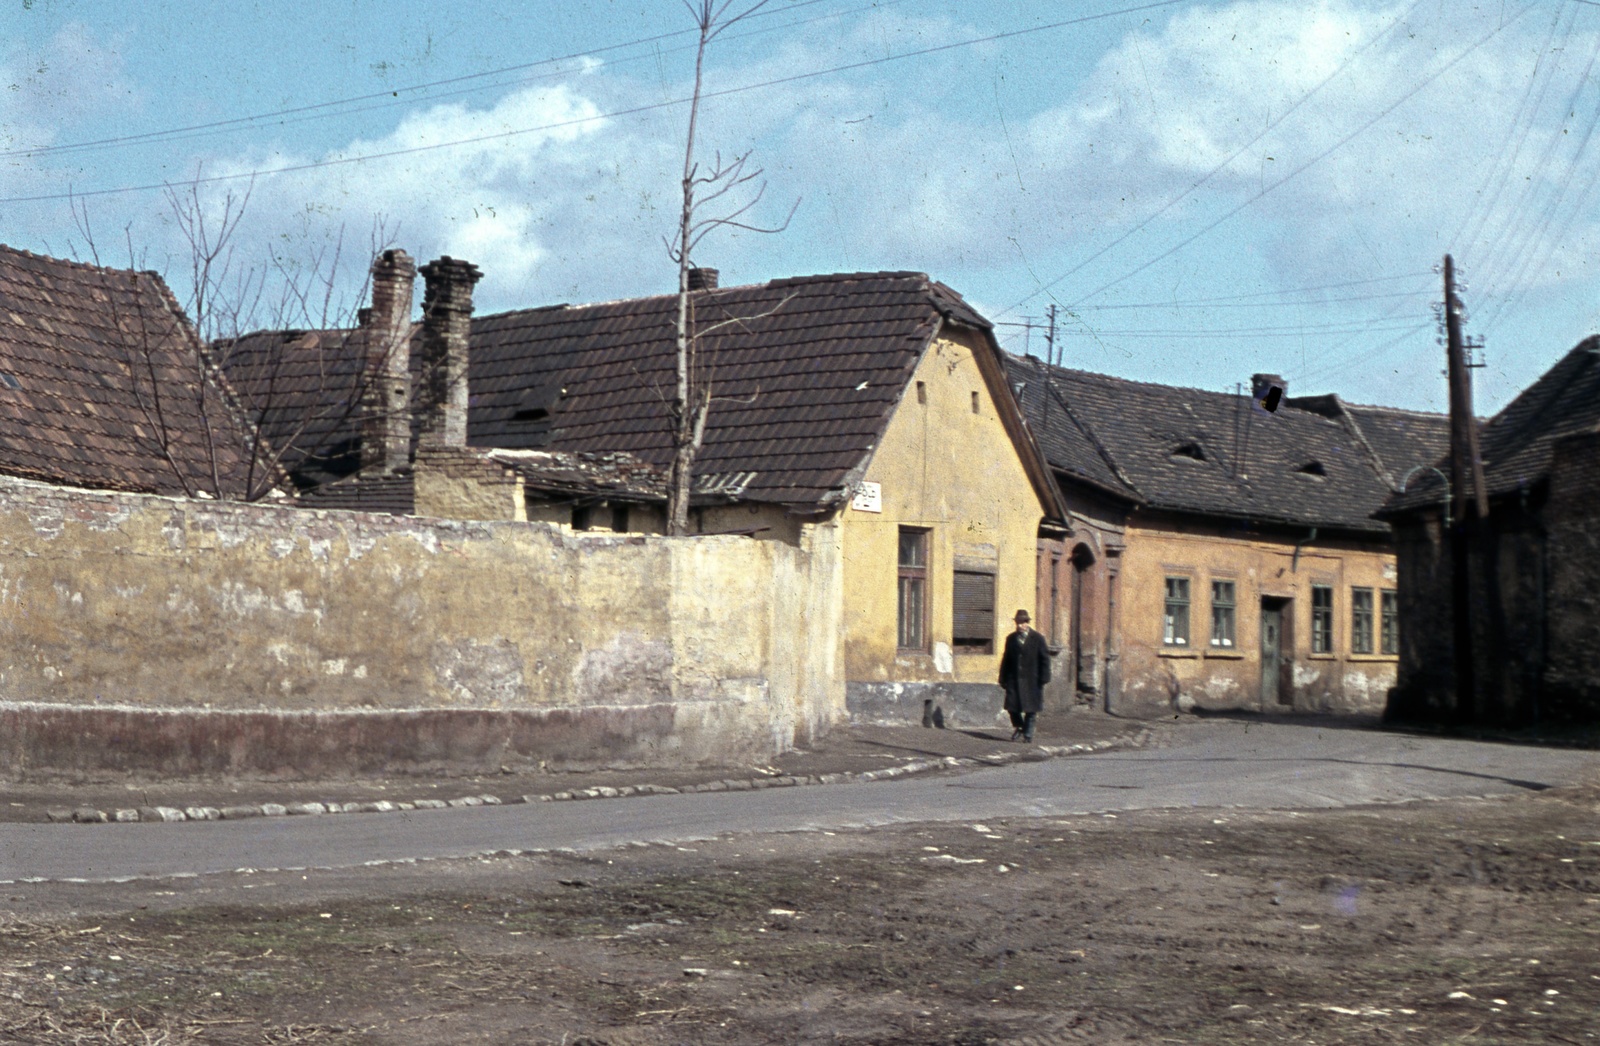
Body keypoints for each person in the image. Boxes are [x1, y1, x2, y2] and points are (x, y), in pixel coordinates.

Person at [999, 609, 1051, 742]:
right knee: (1011, 707)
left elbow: (1045, 659)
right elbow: (1006, 659)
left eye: (1022, 623)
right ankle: (1020, 726)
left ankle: (1028, 734)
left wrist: (1044, 677)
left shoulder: (1038, 639)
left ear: (1027, 623)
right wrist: (1003, 677)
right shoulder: (1011, 639)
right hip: (1014, 679)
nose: (1019, 625)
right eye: (1017, 623)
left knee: (1031, 709)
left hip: (1032, 679)